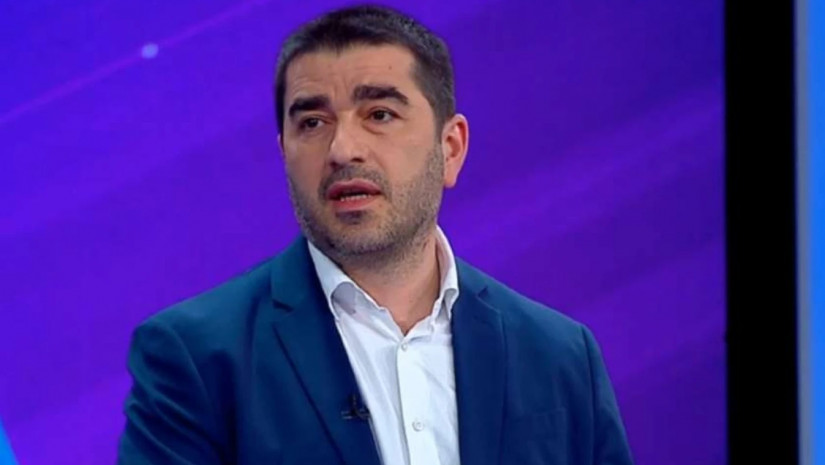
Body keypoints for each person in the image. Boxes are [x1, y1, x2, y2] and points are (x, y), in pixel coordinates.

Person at [117, 5, 634, 465]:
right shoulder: (197, 356)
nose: (343, 149)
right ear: (284, 153)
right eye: (312, 122)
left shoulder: (559, 355)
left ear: (450, 148)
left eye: (379, 114)